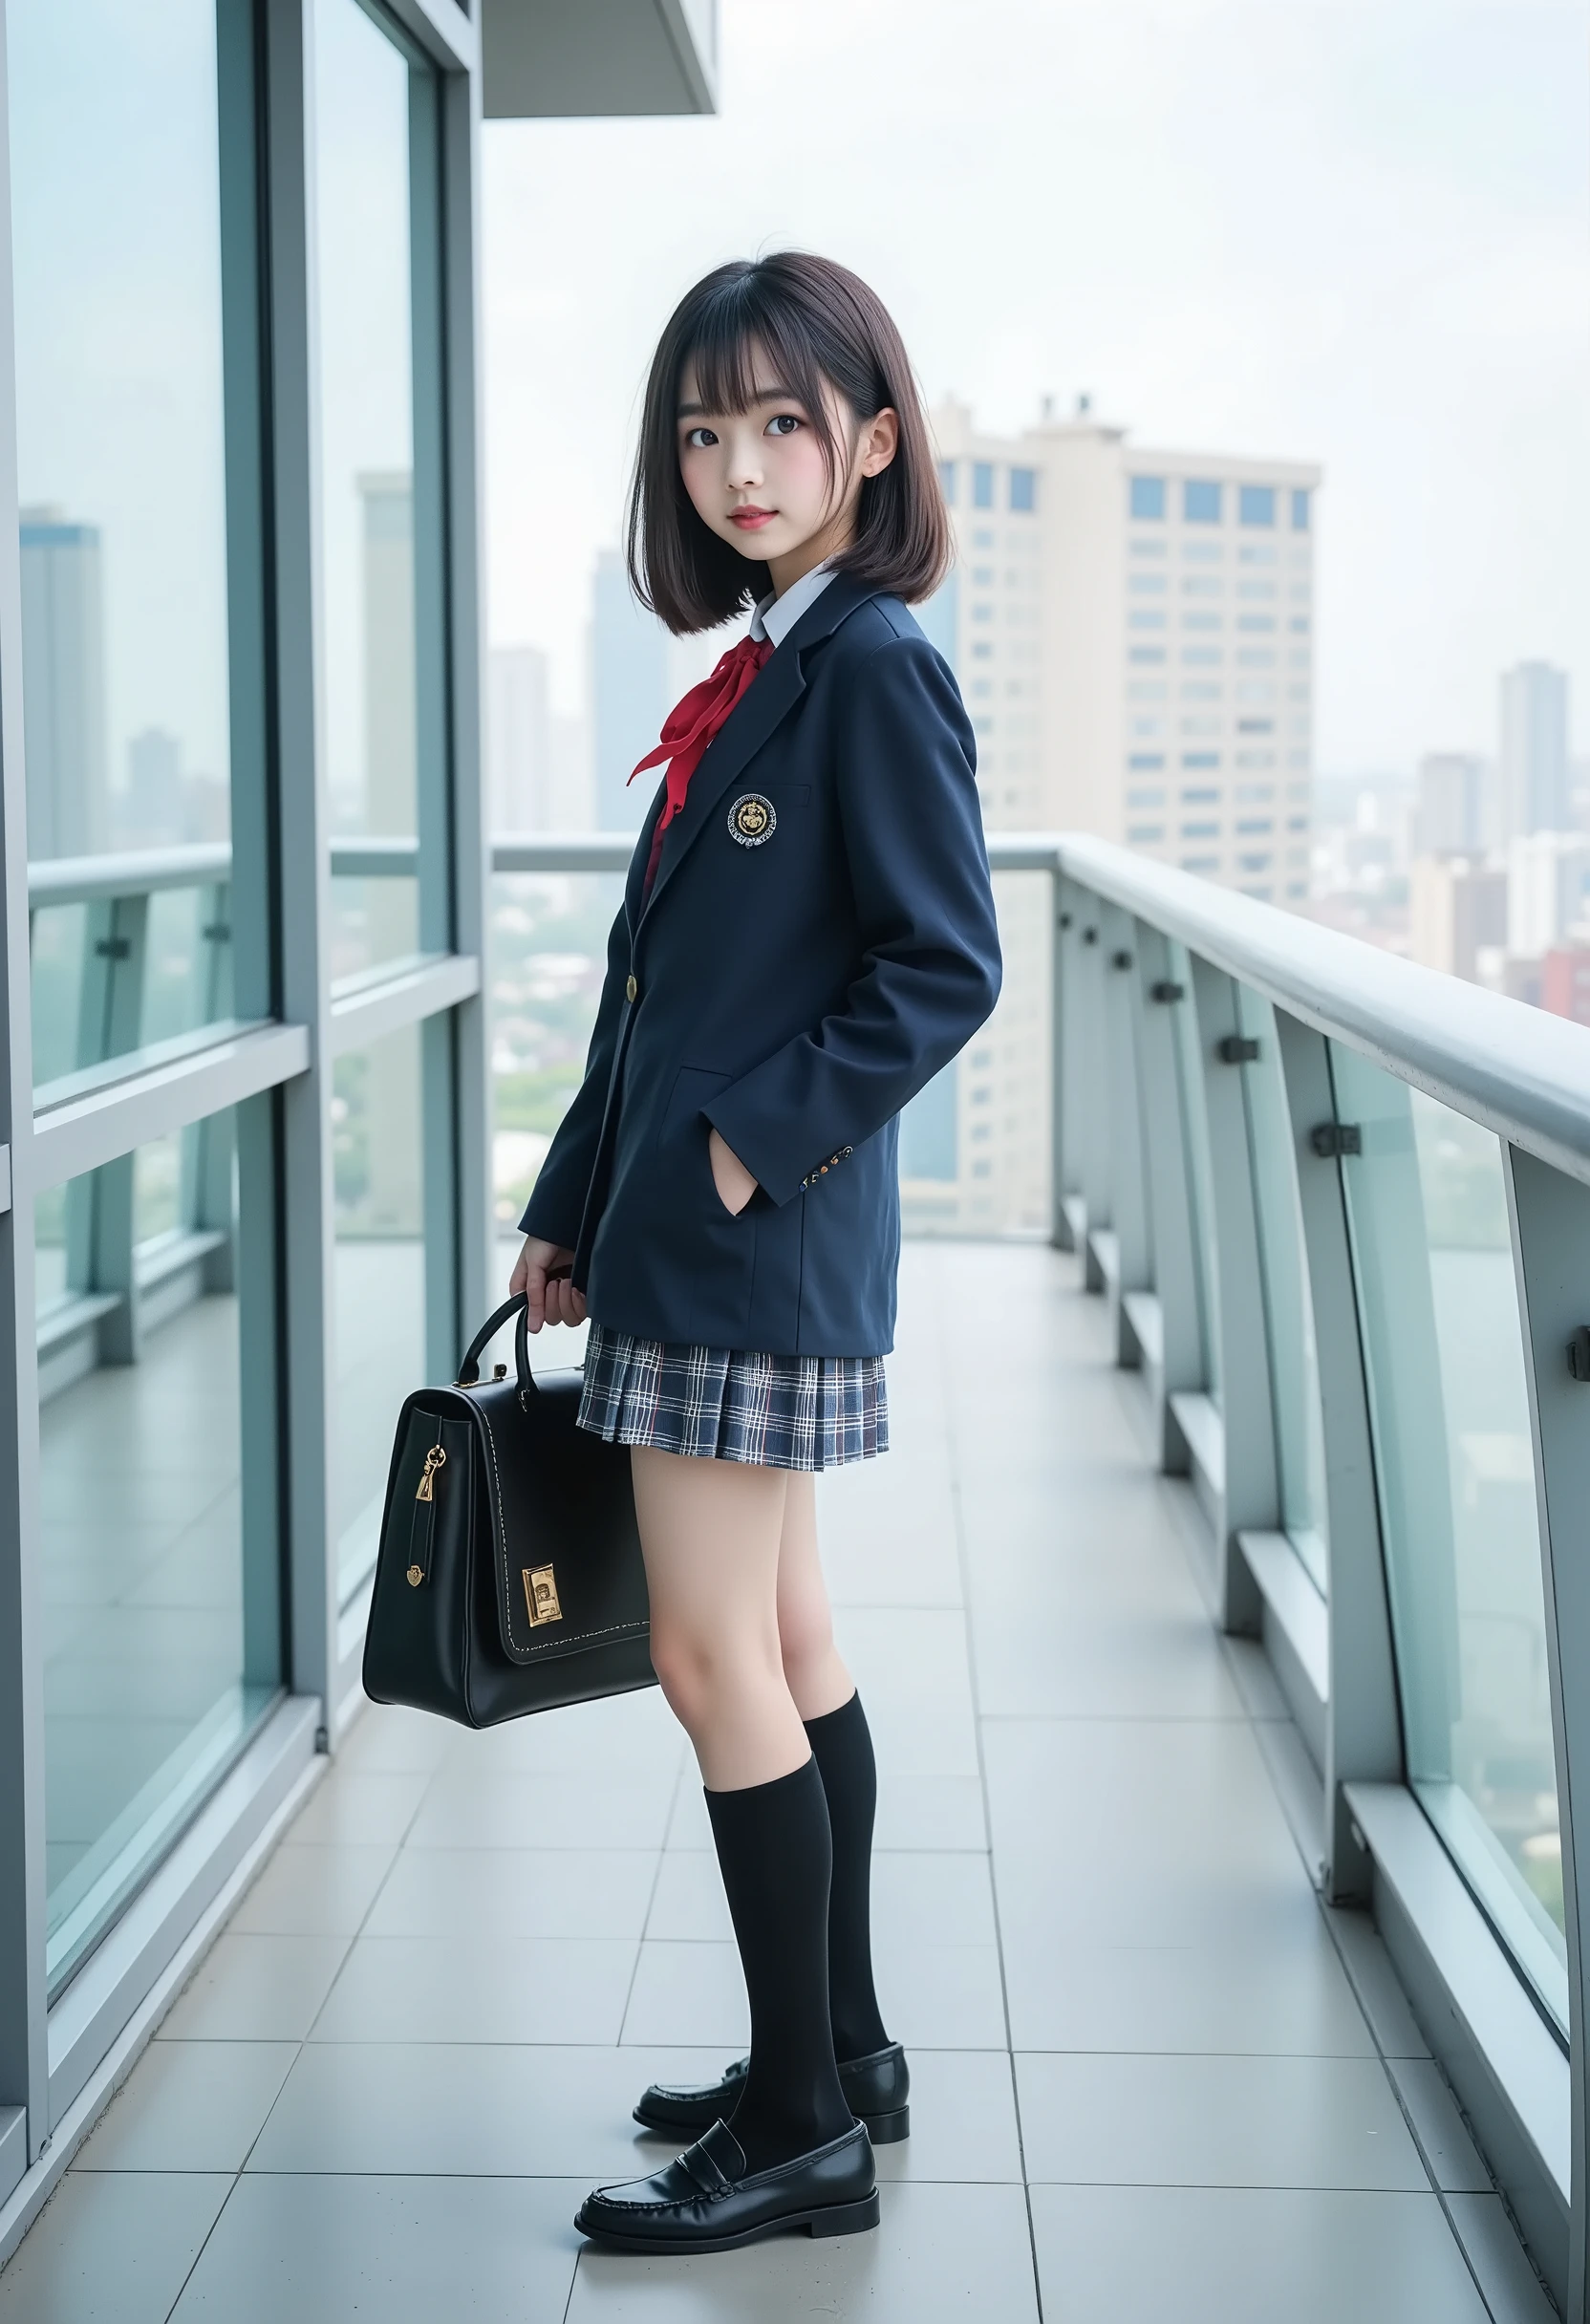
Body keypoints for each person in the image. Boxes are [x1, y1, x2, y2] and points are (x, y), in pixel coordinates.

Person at [510, 250, 1000, 2255]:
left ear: (870, 440)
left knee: (713, 1657)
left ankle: (797, 2127)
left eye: (780, 423)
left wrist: (722, 1157)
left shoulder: (870, 663)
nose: (736, 463)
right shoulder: (767, 661)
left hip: (744, 1250)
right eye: (703, 430)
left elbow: (942, 966)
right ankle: (840, 2051)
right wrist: (571, 1193)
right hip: (699, 1239)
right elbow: (653, 985)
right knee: (783, 1650)